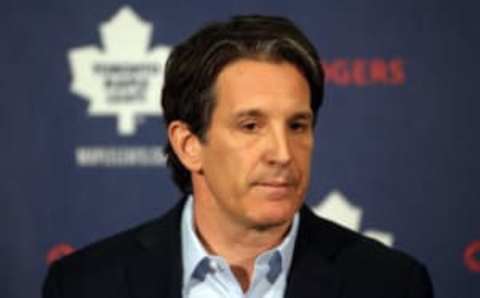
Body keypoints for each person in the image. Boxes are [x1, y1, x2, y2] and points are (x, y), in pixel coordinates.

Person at [43, 15, 433, 298]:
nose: (283, 154)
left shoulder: (391, 284)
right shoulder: (85, 285)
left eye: (297, 126)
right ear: (188, 144)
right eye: (251, 126)